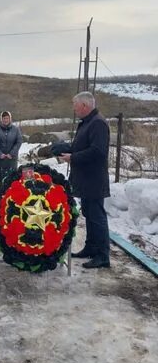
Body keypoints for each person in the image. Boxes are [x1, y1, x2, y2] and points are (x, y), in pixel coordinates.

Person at [60, 91, 111, 269]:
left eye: (75, 106)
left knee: (97, 217)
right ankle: (91, 248)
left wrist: (73, 158)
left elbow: (98, 152)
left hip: (95, 180)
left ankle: (103, 255)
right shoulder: (87, 123)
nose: (74, 109)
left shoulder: (98, 124)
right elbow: (80, 146)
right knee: (89, 215)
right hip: (86, 180)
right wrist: (66, 149)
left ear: (84, 105)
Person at [0, 111, 23, 184]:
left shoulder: (16, 130)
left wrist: (11, 153)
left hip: (11, 159)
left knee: (12, 179)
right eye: (4, 118)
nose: (5, 120)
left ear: (10, 119)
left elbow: (19, 141)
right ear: (1, 119)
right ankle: (2, 194)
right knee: (1, 180)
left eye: (7, 118)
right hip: (0, 160)